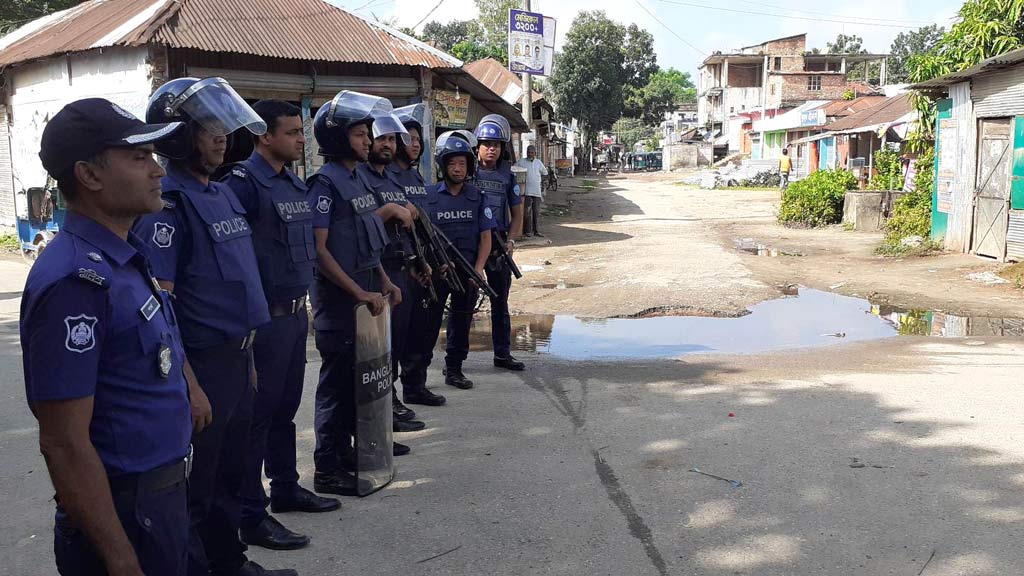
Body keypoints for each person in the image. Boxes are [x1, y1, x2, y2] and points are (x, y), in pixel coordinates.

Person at [21, 98, 191, 576]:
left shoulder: (123, 255)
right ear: (89, 176)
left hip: (159, 501)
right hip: (124, 513)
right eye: (139, 158)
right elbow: (64, 443)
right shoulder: (74, 281)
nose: (157, 170)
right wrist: (119, 559)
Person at [133, 78, 294, 576]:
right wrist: (191, 383)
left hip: (238, 356)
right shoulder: (167, 208)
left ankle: (230, 562)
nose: (221, 135)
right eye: (207, 127)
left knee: (232, 468)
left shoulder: (223, 194)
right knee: (198, 484)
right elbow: (162, 306)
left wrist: (245, 360)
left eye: (223, 124)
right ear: (178, 135)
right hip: (201, 362)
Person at [220, 100, 340, 553]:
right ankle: (252, 514)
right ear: (263, 136)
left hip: (293, 316)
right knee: (256, 418)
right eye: (291, 132)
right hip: (263, 321)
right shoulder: (244, 184)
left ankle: (285, 487)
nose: (300, 139)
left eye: (299, 131)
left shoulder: (291, 182)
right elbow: (233, 256)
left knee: (285, 410)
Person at [308, 91, 413, 496]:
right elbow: (320, 251)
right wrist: (357, 292)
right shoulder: (324, 184)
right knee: (335, 389)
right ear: (336, 138)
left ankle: (349, 452)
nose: (369, 140)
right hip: (340, 307)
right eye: (359, 134)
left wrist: (383, 282)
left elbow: (367, 242)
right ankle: (327, 468)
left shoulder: (357, 179)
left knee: (360, 384)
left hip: (367, 298)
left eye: (368, 133)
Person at [356, 111, 428, 437]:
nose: (385, 144)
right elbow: (357, 228)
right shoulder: (361, 178)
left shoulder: (392, 180)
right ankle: (384, 411)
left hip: (402, 269)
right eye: (379, 138)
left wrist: (419, 262)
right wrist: (388, 211)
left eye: (390, 139)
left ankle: (391, 401)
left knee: (396, 344)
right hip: (378, 271)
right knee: (378, 350)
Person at [413, 133, 494, 392]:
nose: (457, 168)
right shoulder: (428, 195)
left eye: (462, 163)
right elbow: (419, 237)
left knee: (461, 321)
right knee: (428, 324)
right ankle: (418, 378)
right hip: (437, 272)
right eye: (452, 164)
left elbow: (485, 237)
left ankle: (455, 368)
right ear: (443, 166)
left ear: (469, 166)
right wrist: (430, 265)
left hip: (467, 272)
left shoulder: (477, 196)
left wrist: (478, 269)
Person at [391, 105, 449, 408]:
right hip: (401, 264)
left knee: (421, 330)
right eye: (409, 138)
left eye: (418, 139)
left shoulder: (415, 178)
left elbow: (427, 224)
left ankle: (416, 385)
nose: (415, 143)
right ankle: (392, 398)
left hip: (424, 263)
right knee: (397, 337)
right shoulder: (387, 178)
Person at [473, 114, 525, 375]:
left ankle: (502, 354)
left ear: (503, 148)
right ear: (478, 145)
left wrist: (511, 241)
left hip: (499, 247)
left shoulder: (507, 177)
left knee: (500, 303)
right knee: (464, 302)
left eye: (496, 144)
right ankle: (454, 364)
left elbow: (517, 215)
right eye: (486, 143)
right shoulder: (465, 172)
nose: (491, 148)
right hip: (470, 247)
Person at [514, 144, 548, 237]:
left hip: (537, 191)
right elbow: (513, 170)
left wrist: (543, 185)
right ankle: (527, 231)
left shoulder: (538, 163)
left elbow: (545, 173)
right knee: (527, 212)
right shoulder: (521, 162)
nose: (530, 154)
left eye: (532, 152)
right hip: (527, 192)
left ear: (535, 153)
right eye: (529, 152)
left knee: (536, 212)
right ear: (526, 153)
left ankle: (536, 231)